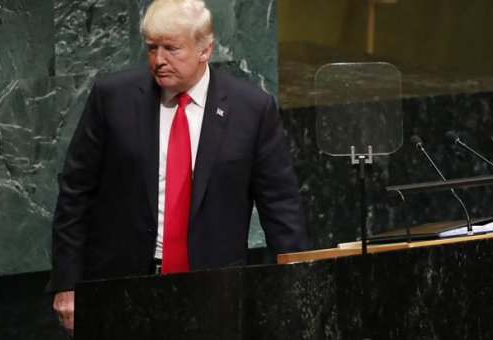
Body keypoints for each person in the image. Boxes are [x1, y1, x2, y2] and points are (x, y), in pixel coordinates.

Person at [48, 0, 307, 335]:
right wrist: (67, 283)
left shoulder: (252, 109)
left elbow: (281, 204)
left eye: (171, 48)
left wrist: (299, 286)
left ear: (205, 49)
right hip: (119, 286)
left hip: (214, 291)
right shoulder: (112, 97)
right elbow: (75, 192)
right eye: (151, 48)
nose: (158, 60)